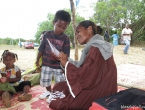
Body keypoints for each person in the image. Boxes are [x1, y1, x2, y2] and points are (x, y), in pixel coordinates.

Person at [48, 20, 117, 110]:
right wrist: (63, 60)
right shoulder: (94, 46)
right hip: (95, 84)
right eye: (75, 34)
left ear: (89, 29)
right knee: (59, 86)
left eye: (78, 31)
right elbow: (83, 66)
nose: (76, 36)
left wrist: (66, 64)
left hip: (99, 90)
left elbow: (86, 77)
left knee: (60, 104)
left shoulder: (96, 48)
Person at [35, 10, 71, 100]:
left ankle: (56, 93)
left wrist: (64, 65)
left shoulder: (66, 39)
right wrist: (37, 60)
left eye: (64, 28)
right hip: (46, 63)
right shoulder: (47, 35)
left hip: (58, 65)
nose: (61, 29)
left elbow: (66, 54)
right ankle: (48, 91)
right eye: (59, 26)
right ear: (53, 22)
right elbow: (41, 48)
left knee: (59, 81)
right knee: (46, 80)